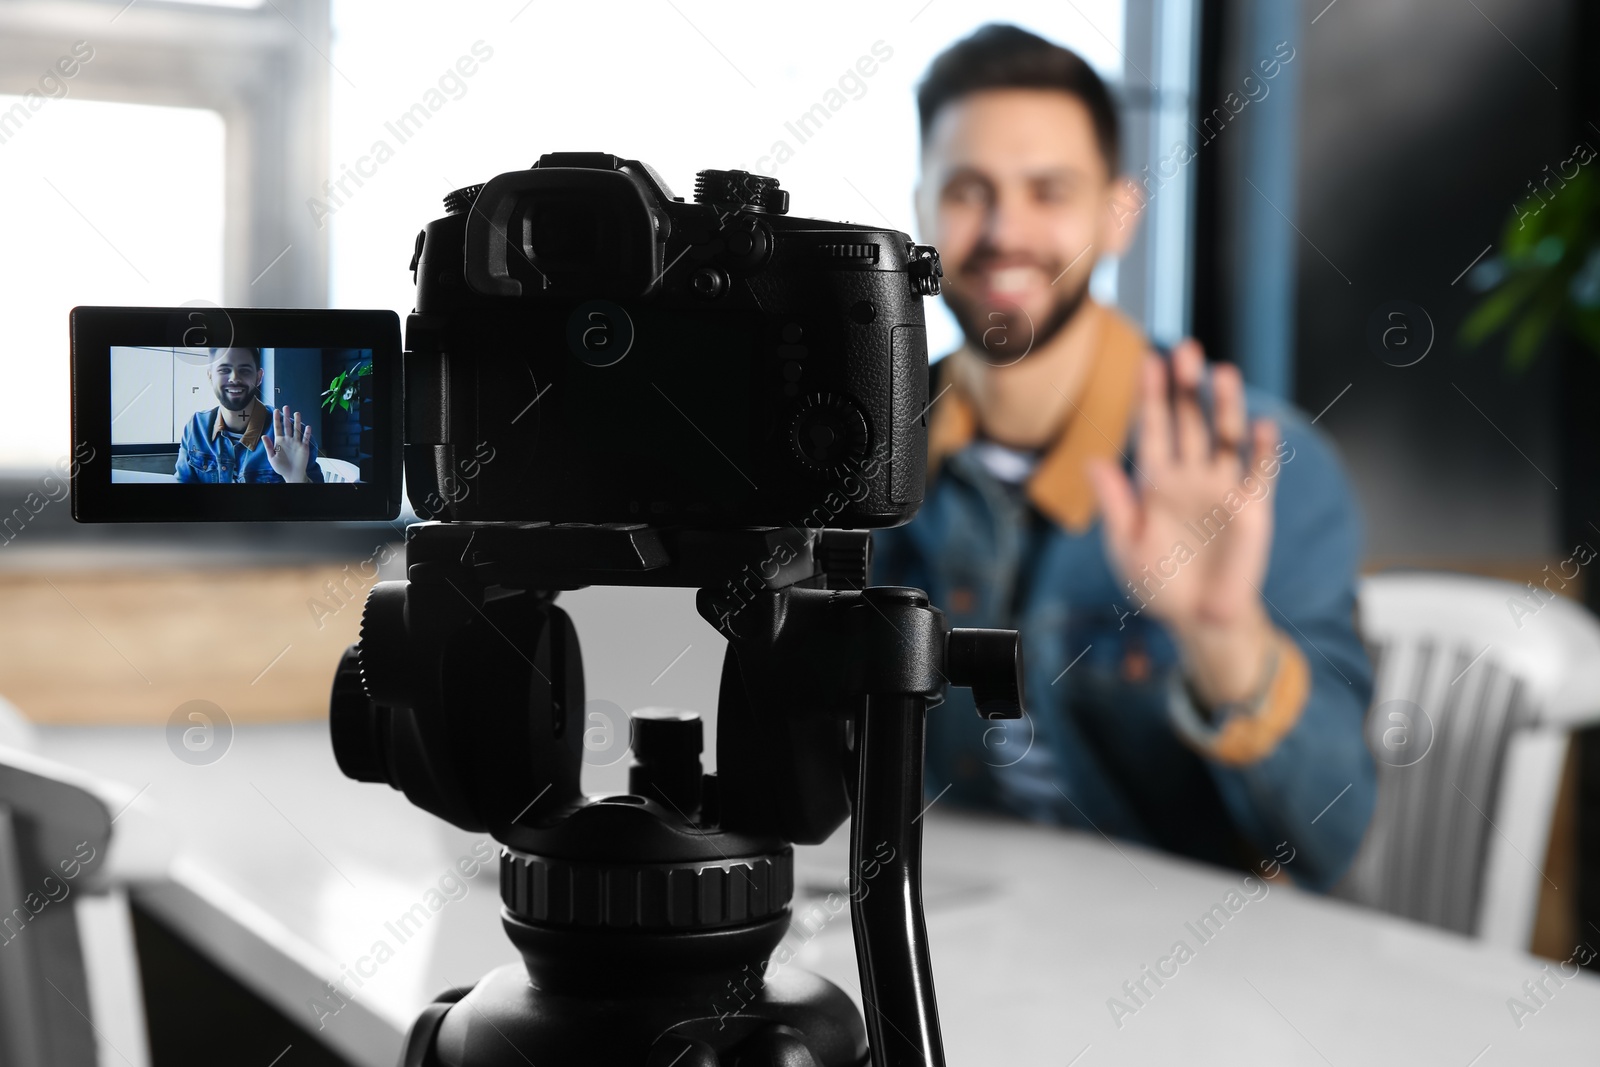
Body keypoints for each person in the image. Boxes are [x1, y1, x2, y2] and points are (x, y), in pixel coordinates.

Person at [871, 24, 1374, 892]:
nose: (1003, 230)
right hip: (947, 951)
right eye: (966, 190)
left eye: (1048, 190)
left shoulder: (1260, 465)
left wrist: (1223, 637)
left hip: (1189, 980)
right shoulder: (863, 462)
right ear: (921, 215)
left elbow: (1334, 837)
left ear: (1118, 215)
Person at [175, 347, 324, 484]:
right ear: (210, 376)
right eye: (224, 370)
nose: (234, 378)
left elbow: (319, 508)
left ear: (259, 377)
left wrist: (297, 479)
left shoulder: (294, 436)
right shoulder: (195, 427)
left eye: (245, 370)